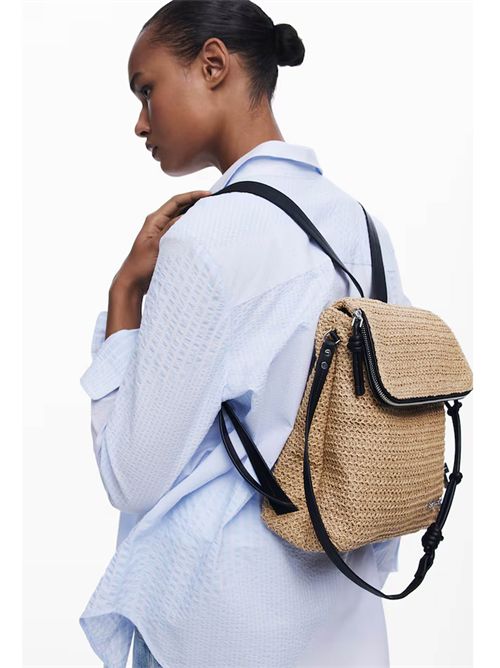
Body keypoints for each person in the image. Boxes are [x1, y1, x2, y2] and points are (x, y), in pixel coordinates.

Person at [79, 2, 408, 666]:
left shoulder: (205, 238)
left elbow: (131, 475)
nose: (141, 122)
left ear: (212, 65)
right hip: (344, 614)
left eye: (147, 89)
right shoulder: (361, 226)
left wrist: (125, 296)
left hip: (219, 620)